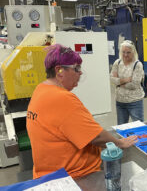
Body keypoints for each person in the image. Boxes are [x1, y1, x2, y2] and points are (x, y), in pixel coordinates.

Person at [26, 44, 137, 190]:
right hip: (73, 178)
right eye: (76, 68)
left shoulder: (41, 90)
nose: (80, 73)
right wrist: (120, 143)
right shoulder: (61, 98)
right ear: (59, 71)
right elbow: (96, 137)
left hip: (47, 175)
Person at [110, 40, 145, 125]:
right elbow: (112, 79)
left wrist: (119, 82)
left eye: (128, 52)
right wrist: (126, 80)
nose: (125, 55)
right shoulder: (117, 63)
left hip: (134, 102)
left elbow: (134, 85)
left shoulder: (137, 65)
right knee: (121, 127)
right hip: (120, 102)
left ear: (133, 52)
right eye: (123, 52)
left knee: (139, 127)